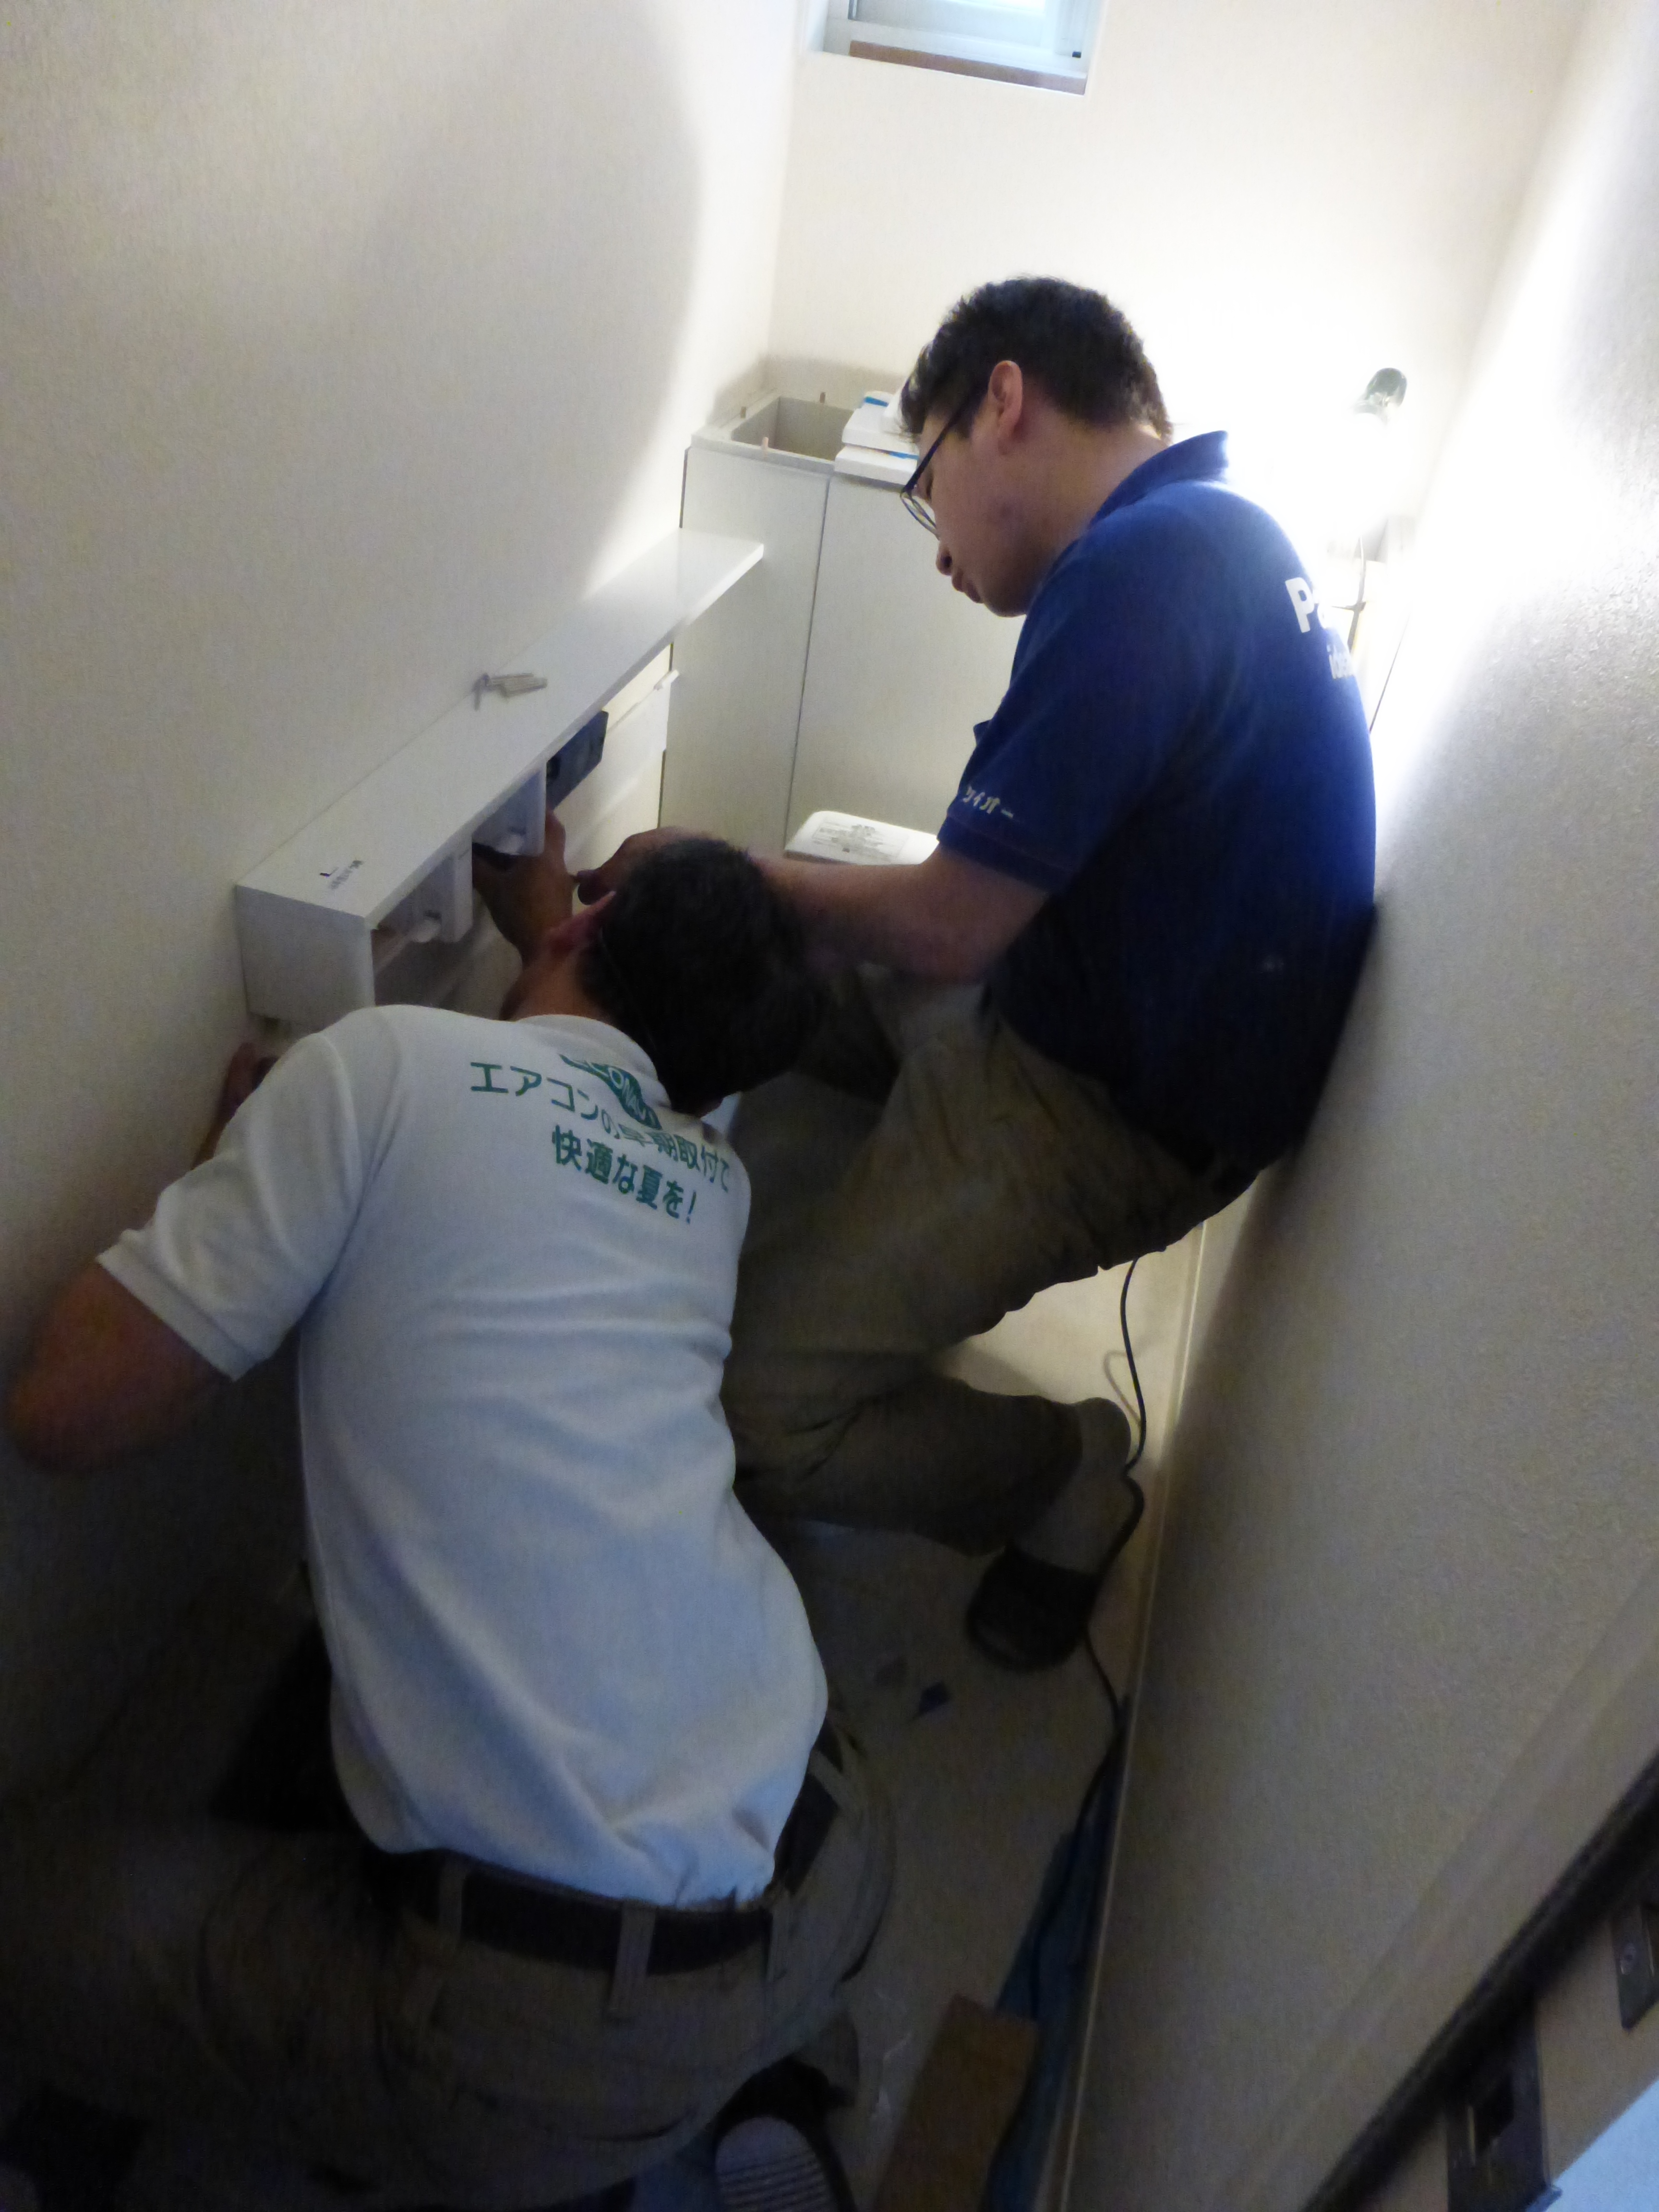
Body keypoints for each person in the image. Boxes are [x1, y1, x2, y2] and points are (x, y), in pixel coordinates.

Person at [0, 824, 893, 2210]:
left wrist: (220, 1165)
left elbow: (62, 1412)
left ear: (581, 935)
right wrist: (559, 932)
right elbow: (591, 1090)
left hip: (561, 2037)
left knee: (29, 1915)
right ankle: (768, 2074)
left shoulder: (375, 1070)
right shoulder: (708, 1182)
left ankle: (617, 2110)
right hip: (830, 1852)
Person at [578, 277, 1378, 1673]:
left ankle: (1069, 1472)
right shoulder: (1219, 531)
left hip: (1104, 1111)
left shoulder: (1143, 574)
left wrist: (723, 862)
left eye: (926, 479)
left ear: (1003, 402)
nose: (938, 545)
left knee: (759, 1407)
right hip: (1059, 991)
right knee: (774, 921)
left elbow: (950, 929)